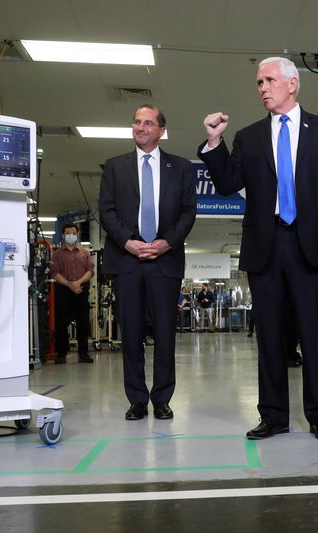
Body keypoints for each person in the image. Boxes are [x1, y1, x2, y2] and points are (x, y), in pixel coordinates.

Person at [200, 57, 318, 442]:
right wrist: (215, 142)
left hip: (314, 247)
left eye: (269, 80)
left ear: (292, 85)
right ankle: (273, 416)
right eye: (258, 82)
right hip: (265, 245)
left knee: (313, 334)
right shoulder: (248, 137)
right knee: (269, 335)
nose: (263, 88)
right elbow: (226, 184)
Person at [99, 104, 196, 421]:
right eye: (136, 121)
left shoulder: (181, 168)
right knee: (131, 333)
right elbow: (107, 212)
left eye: (148, 122)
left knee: (165, 334)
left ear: (161, 130)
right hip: (127, 260)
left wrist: (166, 242)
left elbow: (187, 213)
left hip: (164, 262)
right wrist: (129, 242)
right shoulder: (115, 167)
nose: (140, 127)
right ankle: (137, 400)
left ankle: (163, 398)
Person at [50, 223, 95, 364]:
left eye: (73, 233)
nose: (71, 235)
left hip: (81, 290)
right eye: (68, 233)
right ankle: (61, 353)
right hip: (63, 291)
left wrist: (78, 283)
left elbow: (90, 271)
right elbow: (55, 273)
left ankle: (83, 354)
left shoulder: (85, 253)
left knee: (83, 323)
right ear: (63, 235)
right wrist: (70, 284)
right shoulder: (56, 254)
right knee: (62, 323)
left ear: (77, 234)